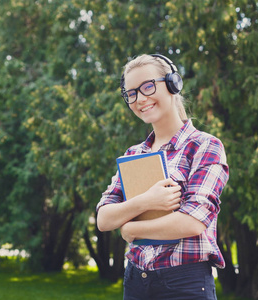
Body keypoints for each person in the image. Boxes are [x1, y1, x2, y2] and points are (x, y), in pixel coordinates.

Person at [96, 54, 229, 300]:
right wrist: (145, 202)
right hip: (136, 281)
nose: (140, 99)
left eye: (148, 86)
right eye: (131, 93)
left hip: (185, 284)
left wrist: (131, 227)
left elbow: (191, 223)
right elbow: (104, 218)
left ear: (172, 84)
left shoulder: (204, 146)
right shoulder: (133, 154)